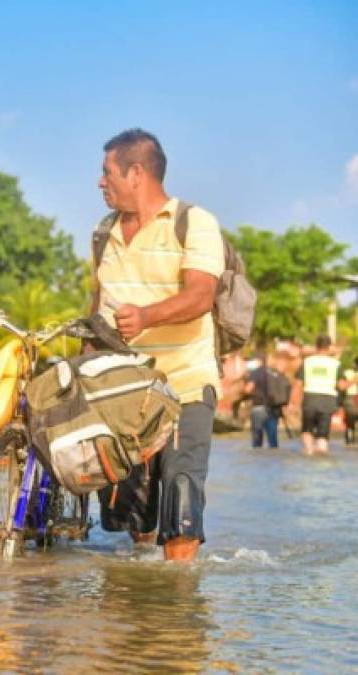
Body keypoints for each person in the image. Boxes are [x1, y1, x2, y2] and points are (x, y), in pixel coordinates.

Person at [90, 129, 224, 562]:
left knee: (181, 490)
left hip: (186, 380)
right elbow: (98, 307)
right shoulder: (103, 232)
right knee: (133, 510)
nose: (99, 182)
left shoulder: (194, 222)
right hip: (126, 390)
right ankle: (141, 602)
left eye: (106, 171)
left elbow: (202, 295)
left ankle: (177, 610)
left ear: (136, 172)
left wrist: (147, 316)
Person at [298, 335, 342, 455]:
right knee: (323, 434)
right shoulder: (336, 364)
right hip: (328, 400)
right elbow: (342, 385)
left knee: (307, 429)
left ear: (316, 346)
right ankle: (322, 450)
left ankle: (308, 450)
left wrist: (293, 402)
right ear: (329, 347)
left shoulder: (307, 362)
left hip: (310, 398)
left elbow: (298, 384)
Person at [243, 352, 281, 449]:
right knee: (273, 442)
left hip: (258, 408)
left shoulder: (256, 372)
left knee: (257, 442)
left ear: (258, 361)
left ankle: (258, 461)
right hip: (273, 408)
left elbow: (248, 389)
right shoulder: (274, 372)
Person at [342, 356, 357, 446]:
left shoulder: (347, 373)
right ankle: (350, 441)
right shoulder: (348, 373)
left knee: (349, 423)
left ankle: (349, 441)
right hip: (351, 398)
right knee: (350, 422)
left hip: (350, 398)